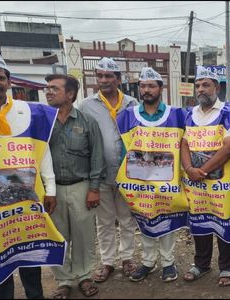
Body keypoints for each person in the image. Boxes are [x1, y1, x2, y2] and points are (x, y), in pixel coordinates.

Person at [0, 50, 62, 299]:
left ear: (8, 82)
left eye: (0, 77)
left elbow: (42, 153)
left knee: (30, 257)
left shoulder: (29, 112)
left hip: (27, 203)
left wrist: (51, 189)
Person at [115, 67, 187, 283]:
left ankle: (168, 262)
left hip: (167, 180)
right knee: (145, 220)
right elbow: (123, 149)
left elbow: (186, 144)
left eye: (151, 86)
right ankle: (147, 262)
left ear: (160, 89)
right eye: (143, 86)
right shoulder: (127, 116)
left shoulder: (177, 114)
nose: (146, 90)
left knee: (166, 219)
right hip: (139, 180)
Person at [45, 74, 105, 298]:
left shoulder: (86, 121)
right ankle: (63, 280)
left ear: (70, 94)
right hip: (51, 191)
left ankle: (83, 276)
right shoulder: (42, 120)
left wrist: (94, 188)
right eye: (47, 88)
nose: (48, 92)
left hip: (82, 186)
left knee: (83, 234)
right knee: (57, 236)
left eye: (54, 88)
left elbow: (97, 155)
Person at [79, 57, 139, 283]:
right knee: (103, 221)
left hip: (127, 172)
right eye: (100, 75)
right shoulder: (86, 105)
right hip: (100, 174)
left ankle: (127, 258)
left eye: (108, 76)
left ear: (118, 79)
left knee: (126, 219)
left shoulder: (132, 104)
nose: (103, 80)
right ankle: (108, 262)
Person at [181, 66, 230, 287]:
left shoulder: (227, 111)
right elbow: (184, 143)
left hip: (221, 183)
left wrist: (202, 170)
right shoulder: (190, 113)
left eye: (206, 85)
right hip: (195, 182)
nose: (201, 90)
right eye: (198, 86)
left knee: (224, 222)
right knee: (200, 222)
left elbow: (229, 147)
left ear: (217, 87)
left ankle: (226, 267)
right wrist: (188, 168)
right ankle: (201, 264)